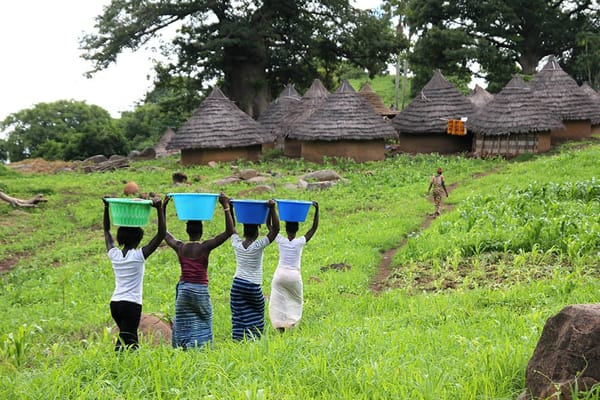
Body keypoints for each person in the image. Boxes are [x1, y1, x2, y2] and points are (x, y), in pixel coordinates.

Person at [164, 192, 234, 350]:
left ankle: (182, 349)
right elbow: (229, 232)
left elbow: (164, 233)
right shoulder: (205, 247)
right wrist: (226, 207)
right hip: (200, 290)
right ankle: (201, 349)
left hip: (184, 290)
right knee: (204, 320)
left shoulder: (180, 247)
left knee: (182, 323)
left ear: (186, 230)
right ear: (201, 231)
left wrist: (162, 208)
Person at [103, 195, 166, 352]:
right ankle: (121, 365)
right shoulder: (138, 256)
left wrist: (106, 208)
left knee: (128, 338)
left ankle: (127, 364)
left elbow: (106, 231)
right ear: (138, 240)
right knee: (129, 340)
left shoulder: (114, 254)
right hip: (131, 304)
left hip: (115, 303)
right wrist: (159, 209)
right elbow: (161, 234)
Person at [229, 199, 280, 341]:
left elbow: (231, 229)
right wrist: (272, 209)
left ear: (244, 231)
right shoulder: (258, 246)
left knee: (238, 315)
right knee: (257, 314)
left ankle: (238, 340)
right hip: (252, 286)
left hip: (237, 285)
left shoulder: (237, 244)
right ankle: (254, 340)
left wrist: (229, 209)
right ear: (257, 232)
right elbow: (275, 230)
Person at [269, 202, 319, 332]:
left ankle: (279, 325)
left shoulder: (280, 240)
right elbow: (313, 229)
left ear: (285, 229)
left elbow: (270, 226)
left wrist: (271, 208)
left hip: (280, 274)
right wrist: (316, 210)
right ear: (297, 230)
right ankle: (291, 324)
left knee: (278, 300)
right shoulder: (300, 242)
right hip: (293, 275)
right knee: (296, 301)